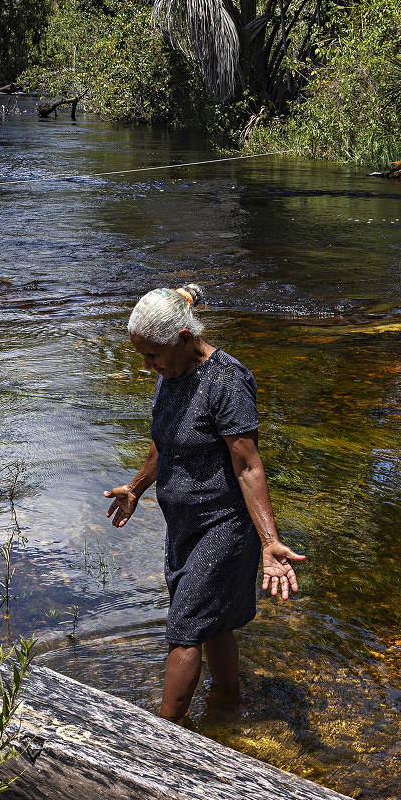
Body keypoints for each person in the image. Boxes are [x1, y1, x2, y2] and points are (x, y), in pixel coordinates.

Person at [104, 284, 305, 721]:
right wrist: (137, 487)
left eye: (152, 355)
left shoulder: (227, 380)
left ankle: (161, 738)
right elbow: (166, 439)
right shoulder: (170, 375)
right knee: (212, 620)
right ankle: (226, 707)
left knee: (184, 629)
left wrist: (270, 542)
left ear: (183, 338)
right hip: (185, 525)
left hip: (224, 523)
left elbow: (248, 465)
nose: (147, 365)